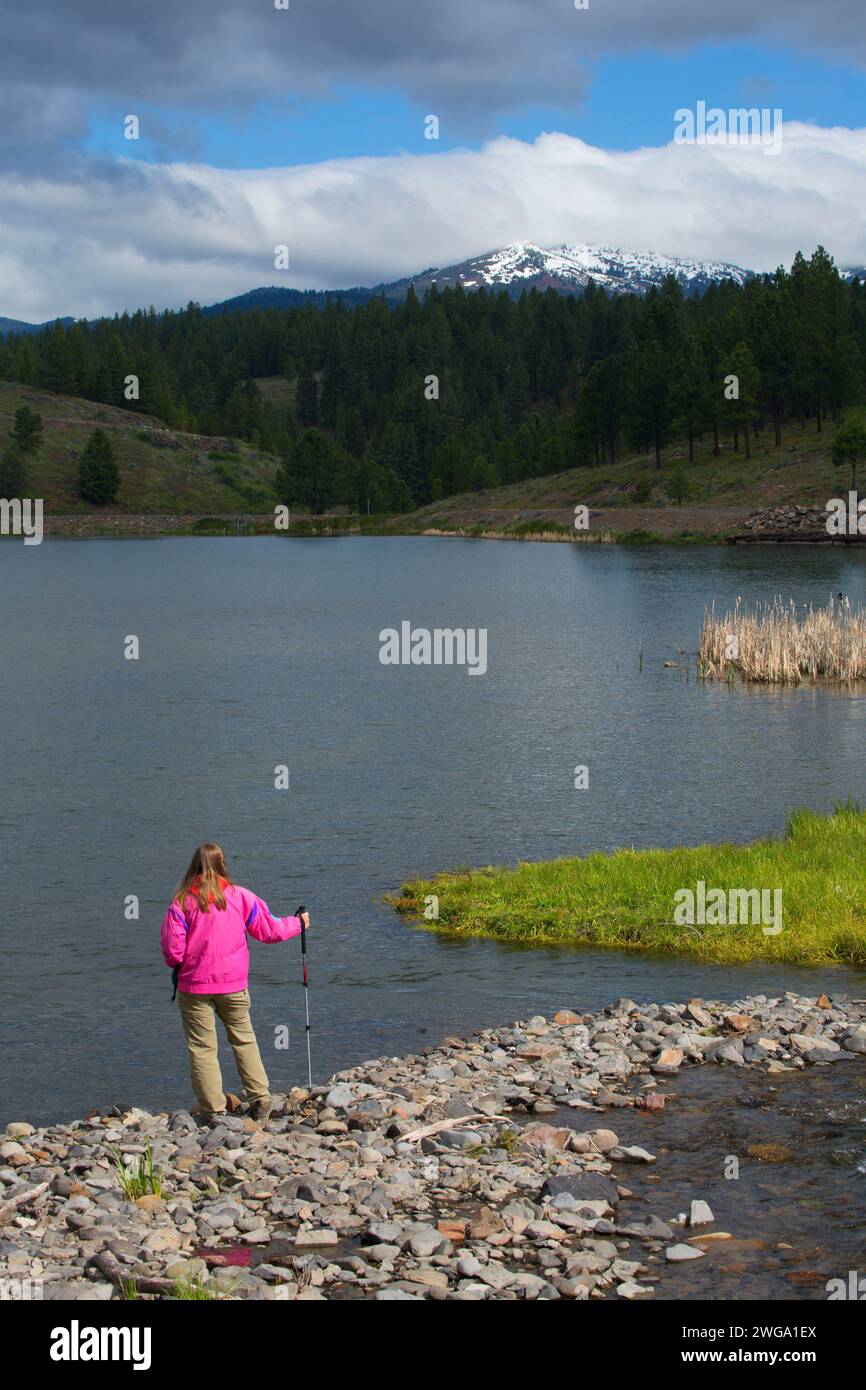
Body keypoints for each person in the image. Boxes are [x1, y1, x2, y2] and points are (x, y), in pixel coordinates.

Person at [160, 842, 309, 1121]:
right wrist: (297, 923)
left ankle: (214, 1109)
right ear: (222, 865)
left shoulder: (181, 902)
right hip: (233, 985)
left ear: (193, 867)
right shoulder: (241, 897)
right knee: (244, 1040)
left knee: (202, 1049)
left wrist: (183, 963)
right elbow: (269, 930)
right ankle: (260, 1098)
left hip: (194, 987)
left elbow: (173, 952)